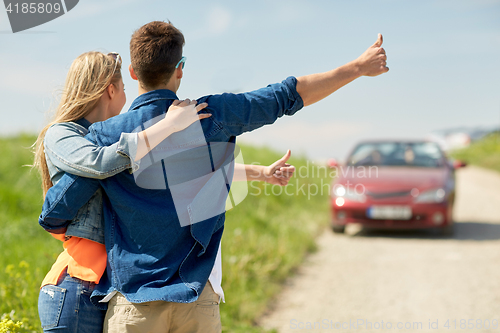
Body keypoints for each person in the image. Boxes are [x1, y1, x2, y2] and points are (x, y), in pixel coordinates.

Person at [39, 21, 388, 333]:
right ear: (180, 69)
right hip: (196, 299)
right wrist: (357, 68)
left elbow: (59, 207)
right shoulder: (210, 115)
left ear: (132, 72)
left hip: (134, 305)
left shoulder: (105, 136)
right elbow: (287, 95)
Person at [34, 50, 294, 332]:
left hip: (105, 286)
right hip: (77, 283)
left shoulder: (116, 139)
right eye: (122, 88)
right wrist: (168, 126)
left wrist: (260, 172)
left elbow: (182, 170)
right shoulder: (68, 135)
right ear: (111, 90)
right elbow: (101, 164)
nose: (127, 96)